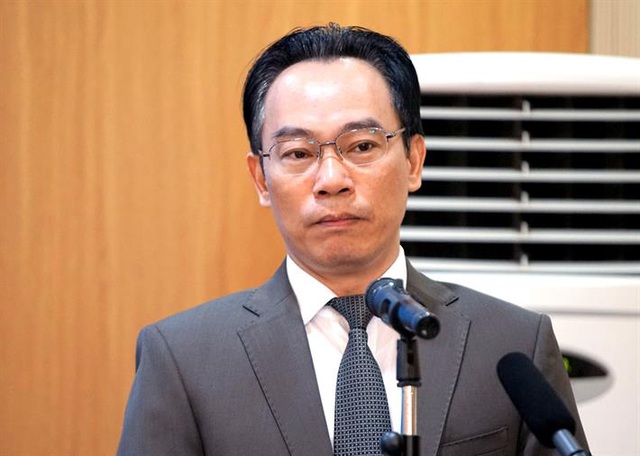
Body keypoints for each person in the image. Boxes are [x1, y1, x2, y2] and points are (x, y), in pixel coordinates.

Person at [117, 24, 588, 455]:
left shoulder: (512, 344)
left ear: (414, 161)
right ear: (261, 178)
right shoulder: (183, 361)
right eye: (297, 152)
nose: (331, 180)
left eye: (362, 146)